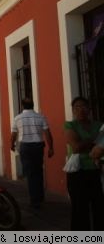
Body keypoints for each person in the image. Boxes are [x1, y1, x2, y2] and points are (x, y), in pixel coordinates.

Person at [64, 96, 104, 230]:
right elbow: (75, 147)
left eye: (83, 106)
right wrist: (94, 141)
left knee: (99, 206)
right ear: (73, 111)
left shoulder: (98, 125)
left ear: (89, 109)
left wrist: (87, 143)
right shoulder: (70, 125)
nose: (80, 110)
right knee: (79, 208)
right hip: (77, 172)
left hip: (96, 170)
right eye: (76, 107)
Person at [11, 98, 54, 209]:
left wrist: (11, 144)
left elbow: (13, 134)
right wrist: (51, 148)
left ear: (22, 105)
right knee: (38, 170)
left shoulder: (17, 118)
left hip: (25, 147)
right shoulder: (41, 117)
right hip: (38, 146)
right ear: (33, 105)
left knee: (30, 173)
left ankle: (34, 200)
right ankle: (40, 196)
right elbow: (47, 133)